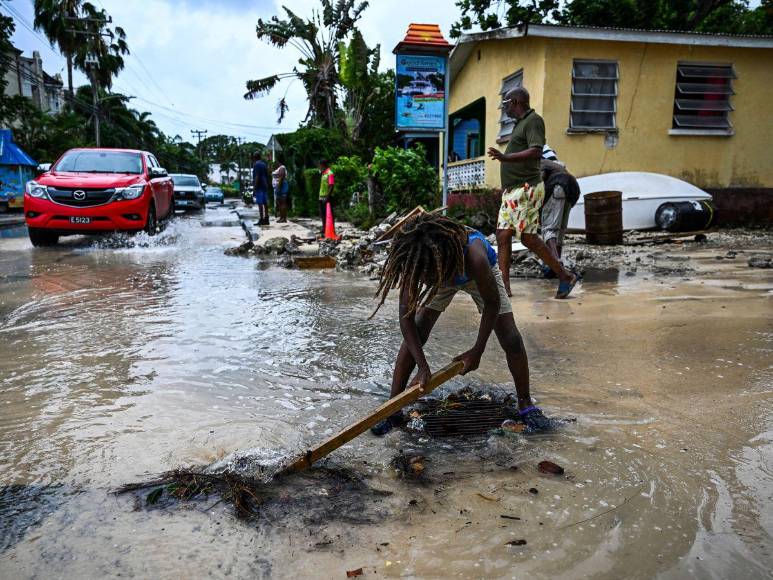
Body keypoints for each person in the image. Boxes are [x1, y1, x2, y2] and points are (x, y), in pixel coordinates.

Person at [368, 213, 553, 436]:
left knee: (511, 338)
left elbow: (492, 304)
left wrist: (477, 350)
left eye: (426, 276)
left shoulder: (475, 255)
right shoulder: (416, 262)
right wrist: (422, 367)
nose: (423, 281)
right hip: (441, 273)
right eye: (423, 278)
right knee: (418, 330)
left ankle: (525, 404)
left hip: (474, 274)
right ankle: (393, 408)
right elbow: (405, 317)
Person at [487, 87, 578, 299]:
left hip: (526, 188)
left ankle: (564, 276)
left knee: (521, 237)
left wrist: (505, 158)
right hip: (515, 189)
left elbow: (537, 151)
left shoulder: (534, 121)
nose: (505, 108)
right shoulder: (521, 124)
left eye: (507, 104)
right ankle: (505, 287)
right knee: (507, 235)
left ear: (517, 101)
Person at [540, 158, 580, 278]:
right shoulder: (554, 164)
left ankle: (556, 263)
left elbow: (541, 178)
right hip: (572, 189)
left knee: (548, 229)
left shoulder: (539, 163)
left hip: (558, 187)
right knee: (560, 230)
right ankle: (557, 266)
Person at [252, 151, 270, 225]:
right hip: (265, 185)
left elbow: (257, 176)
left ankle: (261, 219)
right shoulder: (264, 164)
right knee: (265, 203)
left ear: (254, 158)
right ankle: (266, 219)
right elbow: (267, 175)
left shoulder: (256, 165)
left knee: (260, 203)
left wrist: (254, 187)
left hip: (259, 186)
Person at [318, 159, 335, 234]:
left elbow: (331, 186)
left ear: (323, 165)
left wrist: (328, 197)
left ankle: (331, 229)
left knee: (329, 213)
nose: (319, 167)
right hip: (321, 195)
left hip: (327, 196)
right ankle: (324, 228)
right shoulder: (323, 173)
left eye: (320, 165)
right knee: (322, 213)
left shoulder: (330, 173)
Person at [272, 155, 289, 223]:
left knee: (282, 203)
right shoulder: (280, 168)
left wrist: (278, 187)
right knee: (280, 203)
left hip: (281, 187)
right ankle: (282, 217)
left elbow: (281, 178)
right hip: (279, 187)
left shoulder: (282, 167)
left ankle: (283, 218)